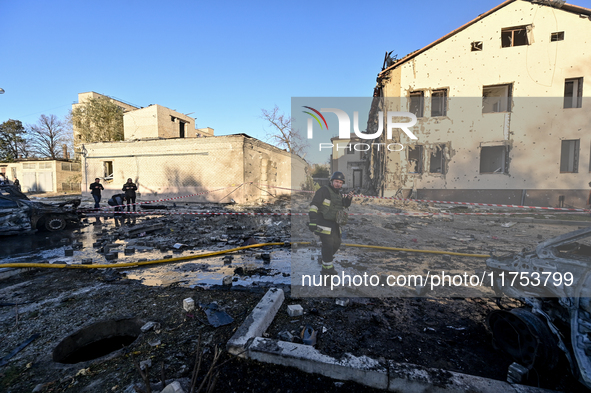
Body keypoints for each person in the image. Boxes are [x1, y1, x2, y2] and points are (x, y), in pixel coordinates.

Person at [308, 171, 354, 275]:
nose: (338, 184)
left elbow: (343, 205)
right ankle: (327, 269)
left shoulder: (338, 194)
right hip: (323, 222)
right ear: (332, 181)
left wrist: (348, 199)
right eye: (336, 181)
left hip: (335, 223)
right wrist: (313, 221)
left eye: (341, 182)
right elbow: (314, 205)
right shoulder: (323, 191)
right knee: (328, 245)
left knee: (337, 244)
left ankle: (325, 257)